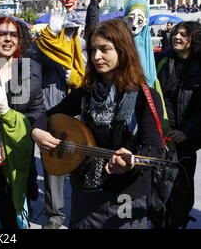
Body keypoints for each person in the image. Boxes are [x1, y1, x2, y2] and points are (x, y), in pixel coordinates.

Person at [31, 18, 164, 229]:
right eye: (93, 49)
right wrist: (37, 131)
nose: (95, 57)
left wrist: (130, 162)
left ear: (123, 50)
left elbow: (153, 148)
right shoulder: (86, 93)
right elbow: (47, 115)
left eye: (104, 49)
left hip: (126, 196)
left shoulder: (146, 96)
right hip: (85, 192)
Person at [0, 17, 45, 229]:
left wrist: (17, 120)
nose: (7, 39)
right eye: (1, 34)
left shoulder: (31, 69)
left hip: (17, 155)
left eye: (13, 34)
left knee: (13, 216)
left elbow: (37, 111)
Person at [33, 0, 87, 229]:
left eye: (73, 29)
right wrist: (48, 37)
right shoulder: (46, 43)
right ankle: (54, 217)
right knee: (54, 166)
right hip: (53, 108)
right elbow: (35, 61)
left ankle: (82, 213)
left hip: (80, 114)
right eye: (66, 28)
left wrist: (77, 77)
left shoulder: (84, 46)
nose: (69, 32)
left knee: (81, 164)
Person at [155, 21, 201, 229]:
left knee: (182, 186)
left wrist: (186, 132)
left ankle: (178, 222)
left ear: (194, 39)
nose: (177, 37)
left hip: (187, 138)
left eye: (184, 34)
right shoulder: (164, 60)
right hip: (163, 135)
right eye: (176, 33)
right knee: (160, 183)